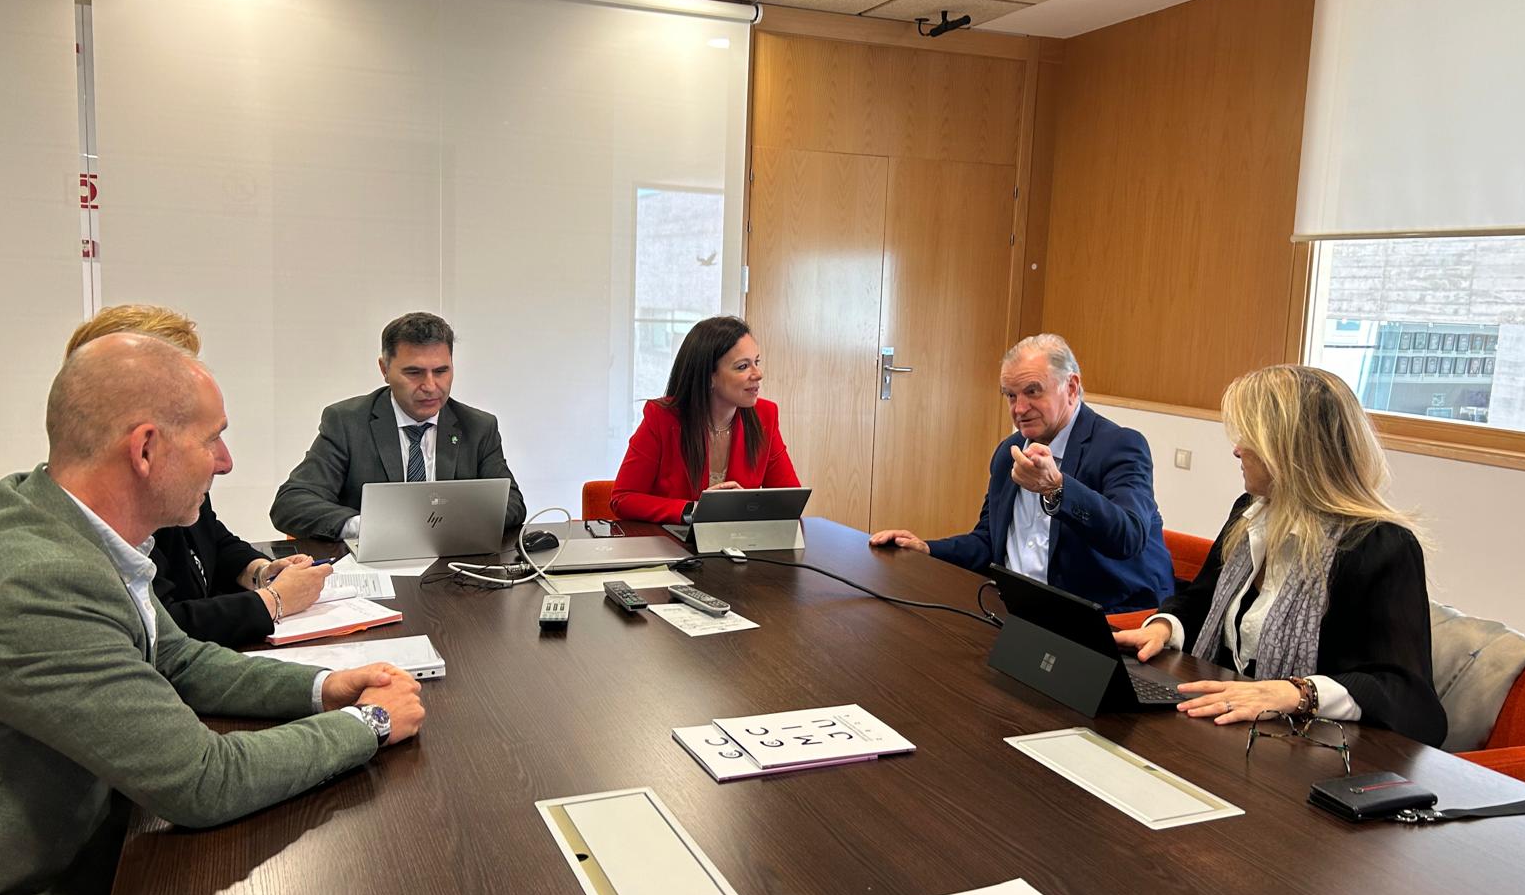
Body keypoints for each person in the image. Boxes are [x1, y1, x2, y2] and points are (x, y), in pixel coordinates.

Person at [0, 333, 426, 895]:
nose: (225, 461)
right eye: (212, 438)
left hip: (100, 841)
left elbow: (178, 659)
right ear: (146, 449)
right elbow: (203, 781)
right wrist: (370, 724)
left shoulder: (64, 524)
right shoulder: (39, 583)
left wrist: (327, 687)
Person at [1113, 365, 1447, 747]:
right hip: (1226, 731)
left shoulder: (1380, 545)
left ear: (1290, 447)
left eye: (1249, 436)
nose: (1237, 449)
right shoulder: (1250, 511)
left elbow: (1407, 697)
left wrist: (1296, 693)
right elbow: (1203, 599)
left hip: (1306, 751)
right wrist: (1164, 628)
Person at [66, 304, 330, 646]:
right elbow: (161, 634)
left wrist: (260, 572)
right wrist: (274, 601)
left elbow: (210, 539)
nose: (224, 462)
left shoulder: (173, 473)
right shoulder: (99, 522)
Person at [870, 334, 1173, 614]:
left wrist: (1056, 488)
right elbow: (988, 542)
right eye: (1011, 396)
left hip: (1107, 620)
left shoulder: (1120, 446)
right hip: (1016, 611)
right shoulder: (1009, 452)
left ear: (1071, 387)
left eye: (1032, 392)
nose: (1019, 409)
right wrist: (927, 549)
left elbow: (1128, 536)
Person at [270, 312, 526, 540]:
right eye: (414, 373)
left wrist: (445, 525)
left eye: (441, 371)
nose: (430, 386)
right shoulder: (347, 422)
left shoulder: (478, 427)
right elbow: (291, 503)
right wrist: (365, 527)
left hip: (453, 567)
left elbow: (512, 504)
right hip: (373, 571)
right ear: (384, 369)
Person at [611, 315, 799, 524]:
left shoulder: (765, 415)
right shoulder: (661, 418)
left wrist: (744, 506)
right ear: (709, 376)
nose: (758, 374)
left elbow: (789, 500)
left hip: (737, 545)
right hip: (672, 547)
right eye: (742, 366)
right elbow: (623, 498)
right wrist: (695, 510)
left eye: (756, 362)